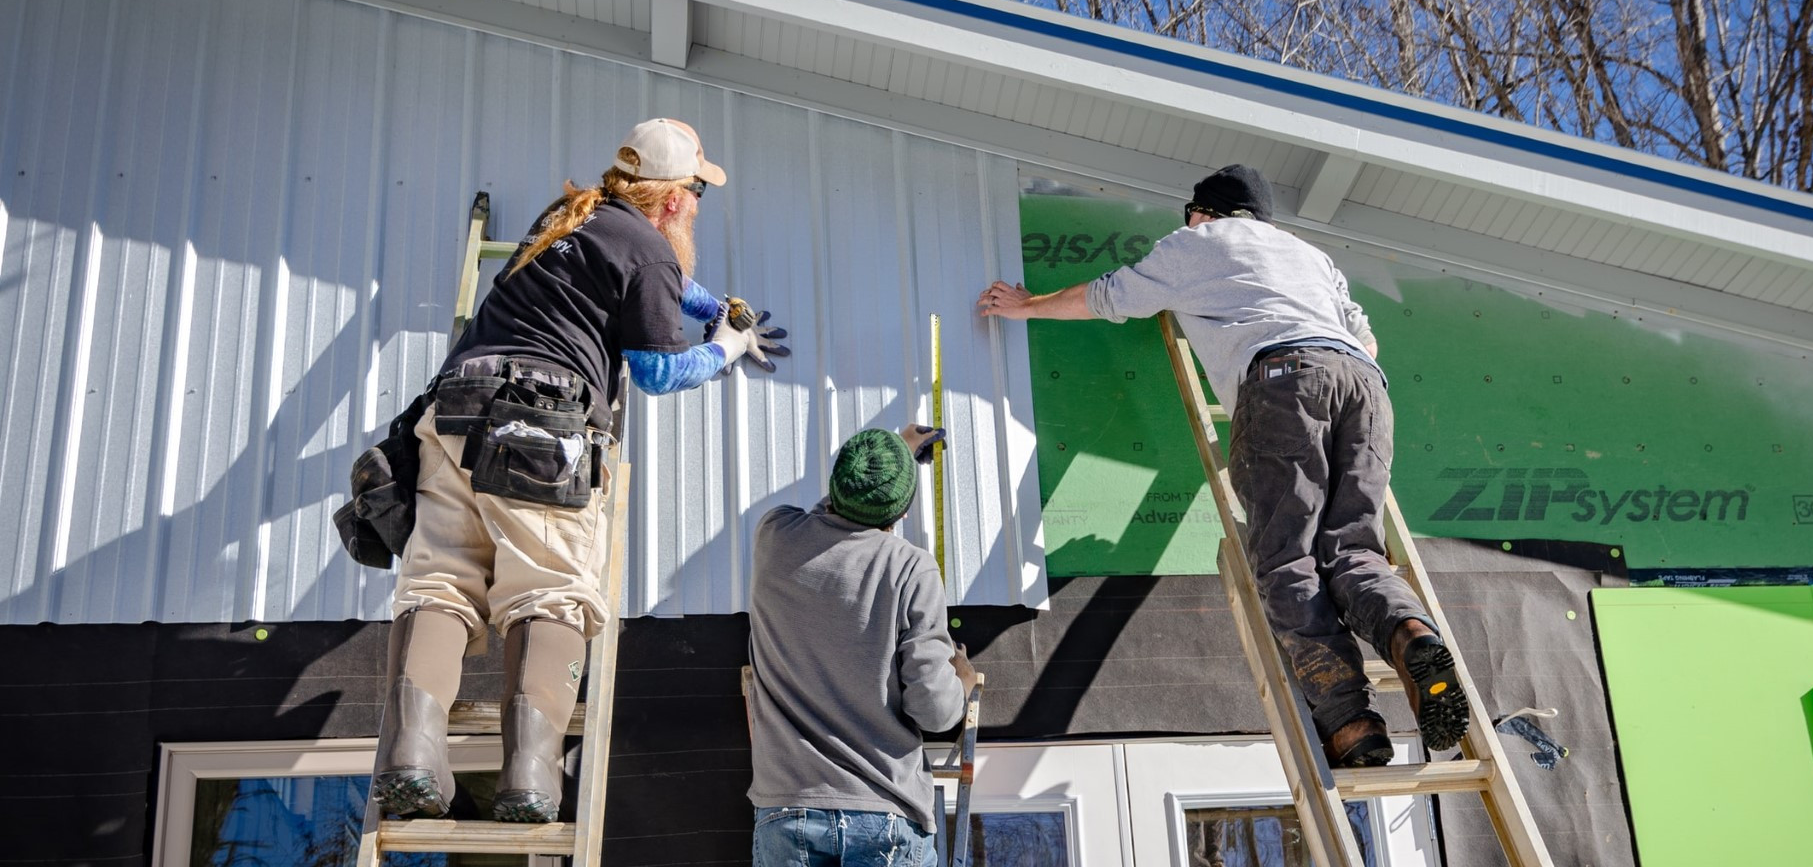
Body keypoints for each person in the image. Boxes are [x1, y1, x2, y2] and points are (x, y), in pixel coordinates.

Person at [975, 164, 1468, 767]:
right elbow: (1366, 344)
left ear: (1203, 212)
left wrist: (1028, 306)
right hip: (1366, 389)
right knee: (1355, 551)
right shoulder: (1309, 256)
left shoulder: (1200, 242)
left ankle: (1351, 725)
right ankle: (1409, 632)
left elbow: (1110, 296)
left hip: (1284, 382)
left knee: (1288, 556)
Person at [372, 118, 791, 824]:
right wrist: (724, 346)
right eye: (696, 192)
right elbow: (657, 370)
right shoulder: (650, 252)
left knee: (439, 583)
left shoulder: (570, 217)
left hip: (453, 410)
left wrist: (714, 306)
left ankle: (411, 756)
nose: (696, 205)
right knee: (551, 591)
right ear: (672, 201)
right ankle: (530, 778)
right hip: (539, 428)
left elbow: (656, 279)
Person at [746, 426, 976, 867]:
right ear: (901, 513)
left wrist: (893, 458)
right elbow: (934, 710)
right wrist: (961, 685)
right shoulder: (911, 568)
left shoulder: (774, 535)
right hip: (884, 814)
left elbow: (826, 516)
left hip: (788, 810)